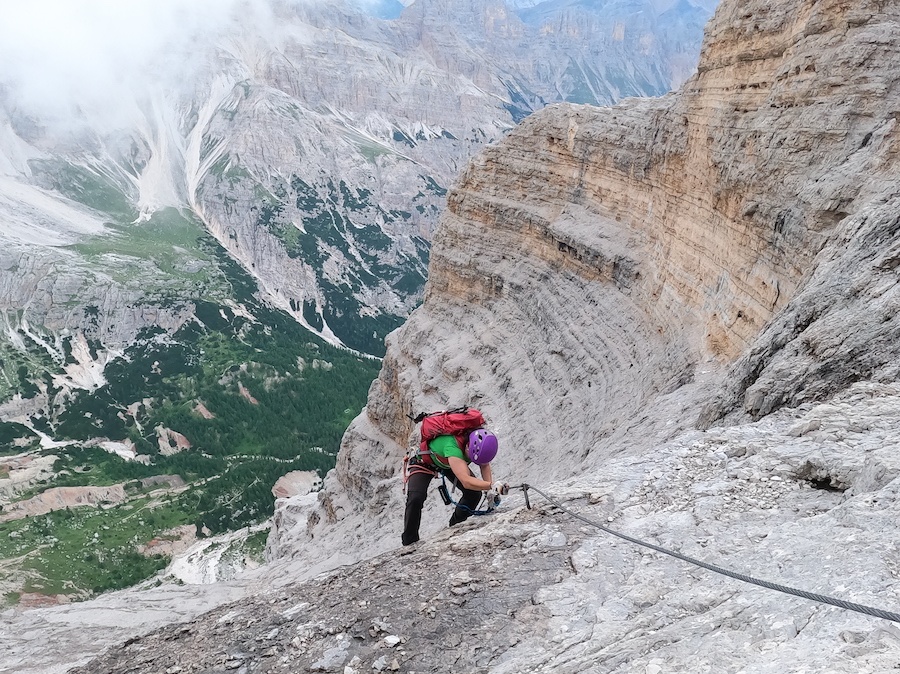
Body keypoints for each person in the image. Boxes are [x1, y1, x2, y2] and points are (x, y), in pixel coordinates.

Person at [402, 428, 509, 546]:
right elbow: (466, 481)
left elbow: (484, 464)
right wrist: (491, 485)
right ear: (468, 447)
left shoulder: (477, 444)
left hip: (446, 462)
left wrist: (490, 491)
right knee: (416, 497)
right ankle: (409, 542)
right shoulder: (453, 447)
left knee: (473, 494)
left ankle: (455, 527)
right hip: (424, 461)